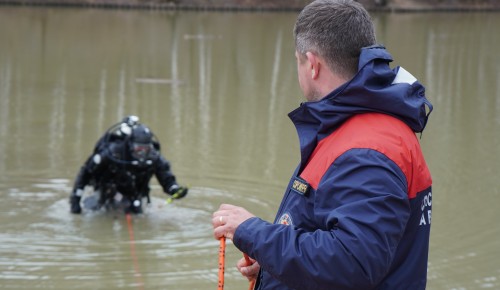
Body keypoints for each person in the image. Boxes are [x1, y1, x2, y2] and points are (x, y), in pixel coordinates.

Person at [212, 0, 433, 289]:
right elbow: (332, 238)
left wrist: (253, 232)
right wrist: (271, 264)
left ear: (313, 64)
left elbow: (351, 264)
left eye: (298, 61)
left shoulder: (368, 151)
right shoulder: (359, 127)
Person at [70, 115, 188, 214]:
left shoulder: (154, 157)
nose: (142, 153)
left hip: (136, 196)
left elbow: (166, 176)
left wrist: (174, 190)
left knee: (136, 212)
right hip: (109, 194)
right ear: (131, 145)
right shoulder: (113, 153)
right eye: (139, 149)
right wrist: (75, 200)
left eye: (146, 149)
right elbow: (85, 173)